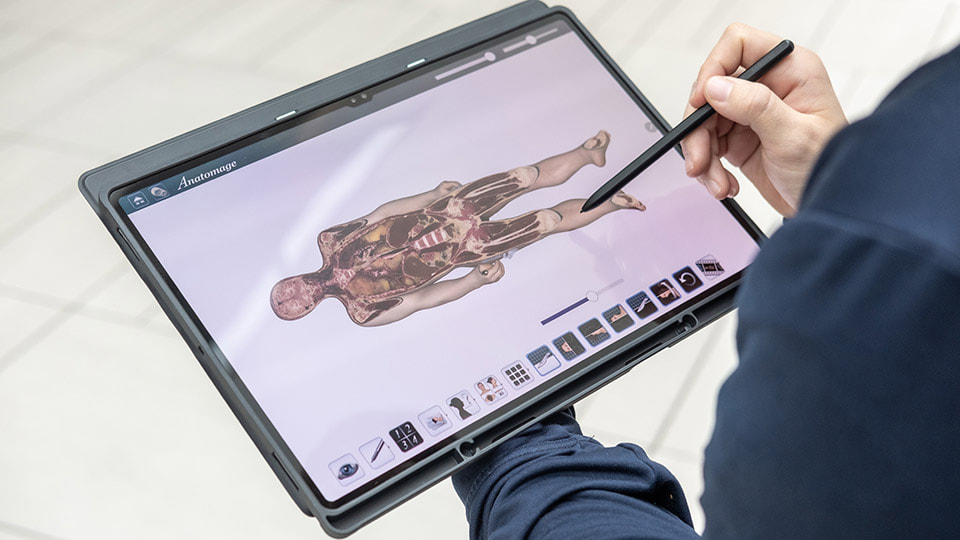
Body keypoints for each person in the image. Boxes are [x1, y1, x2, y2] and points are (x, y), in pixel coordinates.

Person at [452, 23, 960, 538]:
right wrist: (831, 195)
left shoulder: (907, 268)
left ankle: (584, 158)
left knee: (537, 207)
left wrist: (513, 441)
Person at [269, 131, 645, 327]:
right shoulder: (363, 310)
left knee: (522, 177)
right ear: (307, 309)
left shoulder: (331, 240)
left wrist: (431, 195)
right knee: (546, 222)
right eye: (296, 302)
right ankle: (610, 202)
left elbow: (380, 215)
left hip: (447, 210)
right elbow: (422, 299)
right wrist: (473, 281)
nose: (300, 293)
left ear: (293, 277)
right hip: (468, 247)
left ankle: (586, 153)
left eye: (290, 289)